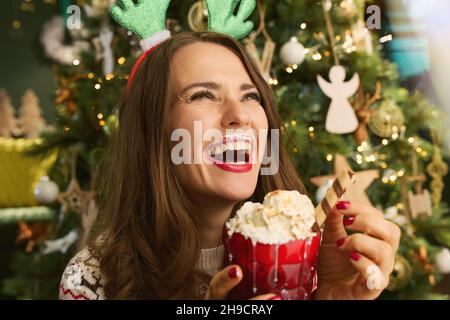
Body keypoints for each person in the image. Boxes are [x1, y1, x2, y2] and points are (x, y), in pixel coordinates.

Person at [59, 31, 400, 300]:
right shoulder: (93, 279)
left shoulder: (315, 261)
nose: (240, 116)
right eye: (202, 95)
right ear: (154, 131)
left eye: (251, 96)